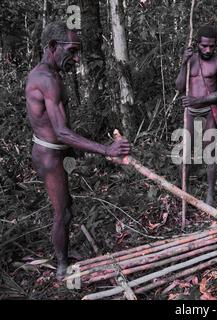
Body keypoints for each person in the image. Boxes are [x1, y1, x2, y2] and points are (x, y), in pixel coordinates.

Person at [25, 22, 131, 279]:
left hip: (55, 151)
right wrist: (106, 150)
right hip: (49, 155)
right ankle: (62, 267)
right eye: (71, 51)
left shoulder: (48, 74)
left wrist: (73, 151)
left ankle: (64, 253)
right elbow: (61, 132)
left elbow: (58, 125)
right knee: (62, 212)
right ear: (52, 47)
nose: (75, 58)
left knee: (67, 207)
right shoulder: (47, 79)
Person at [175, 25, 217, 206]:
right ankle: (184, 192)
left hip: (209, 112)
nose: (208, 50)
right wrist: (183, 63)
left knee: (209, 154)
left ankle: (210, 195)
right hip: (190, 112)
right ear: (198, 44)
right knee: (186, 153)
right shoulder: (190, 60)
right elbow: (179, 86)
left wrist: (199, 100)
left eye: (212, 46)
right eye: (204, 46)